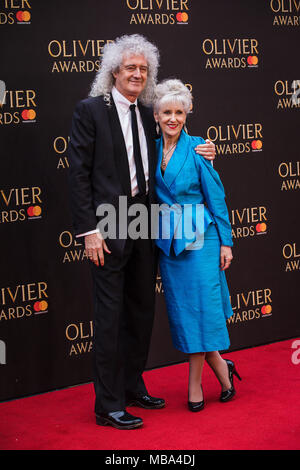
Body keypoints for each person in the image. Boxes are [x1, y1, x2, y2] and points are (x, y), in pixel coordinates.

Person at [68, 35, 217, 429]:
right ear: (113, 71)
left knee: (140, 311)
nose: (137, 74)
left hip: (145, 221)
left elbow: (175, 139)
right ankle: (108, 404)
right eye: (130, 67)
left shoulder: (147, 111)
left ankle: (133, 386)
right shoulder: (90, 111)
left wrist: (204, 148)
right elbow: (79, 175)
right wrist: (89, 230)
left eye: (143, 69)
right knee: (109, 316)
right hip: (109, 222)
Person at [153, 79, 241, 412]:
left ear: (187, 113)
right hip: (168, 244)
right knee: (187, 313)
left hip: (203, 240)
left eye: (179, 112)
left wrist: (226, 244)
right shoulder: (149, 149)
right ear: (157, 115)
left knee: (203, 311)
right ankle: (224, 370)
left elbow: (216, 199)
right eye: (166, 112)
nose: (172, 118)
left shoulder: (199, 148)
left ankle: (194, 386)